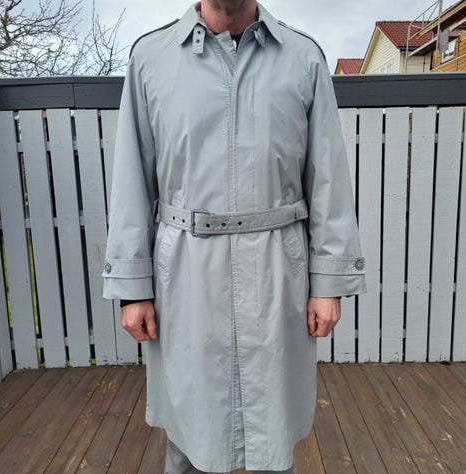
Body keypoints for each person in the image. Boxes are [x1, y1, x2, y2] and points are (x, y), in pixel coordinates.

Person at [102, 1, 367, 472]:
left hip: (276, 273)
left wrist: (329, 282)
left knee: (273, 431)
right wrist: (132, 288)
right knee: (190, 431)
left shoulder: (303, 59)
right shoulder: (151, 59)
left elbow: (328, 177)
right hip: (185, 277)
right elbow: (132, 181)